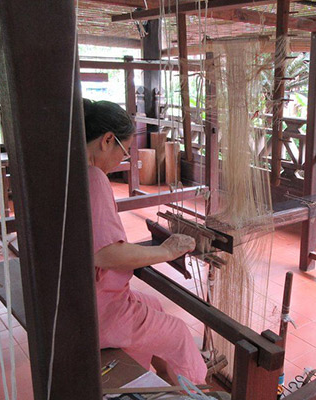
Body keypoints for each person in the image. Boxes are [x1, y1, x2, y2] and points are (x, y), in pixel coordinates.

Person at [83, 98, 207, 384]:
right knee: (178, 335)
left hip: (85, 298)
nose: (122, 160)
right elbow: (106, 254)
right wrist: (165, 250)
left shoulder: (72, 173)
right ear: (107, 140)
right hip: (98, 310)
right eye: (124, 151)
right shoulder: (94, 177)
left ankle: (153, 378)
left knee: (155, 304)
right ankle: (196, 391)